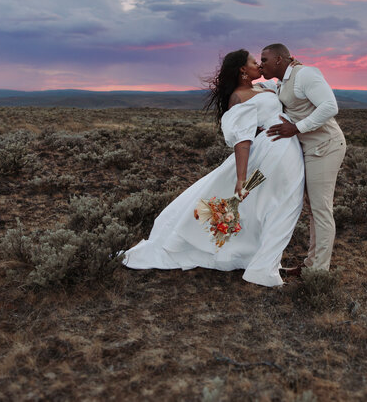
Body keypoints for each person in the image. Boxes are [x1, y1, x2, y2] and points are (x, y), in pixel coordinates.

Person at [121, 49, 305, 287]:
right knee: (282, 204)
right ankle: (263, 269)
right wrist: (240, 178)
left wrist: (292, 69)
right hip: (273, 151)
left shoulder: (262, 88)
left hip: (282, 147)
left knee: (274, 205)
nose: (259, 65)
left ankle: (263, 263)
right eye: (253, 62)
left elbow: (283, 91)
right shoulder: (239, 97)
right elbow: (243, 140)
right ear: (242, 70)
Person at [259, 43, 346, 275]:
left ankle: (318, 271)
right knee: (313, 208)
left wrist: (296, 128)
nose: (261, 64)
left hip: (326, 147)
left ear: (279, 59)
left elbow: (330, 106)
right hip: (310, 149)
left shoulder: (305, 74)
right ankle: (311, 265)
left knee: (321, 208)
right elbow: (265, 87)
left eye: (264, 60)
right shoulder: (282, 82)